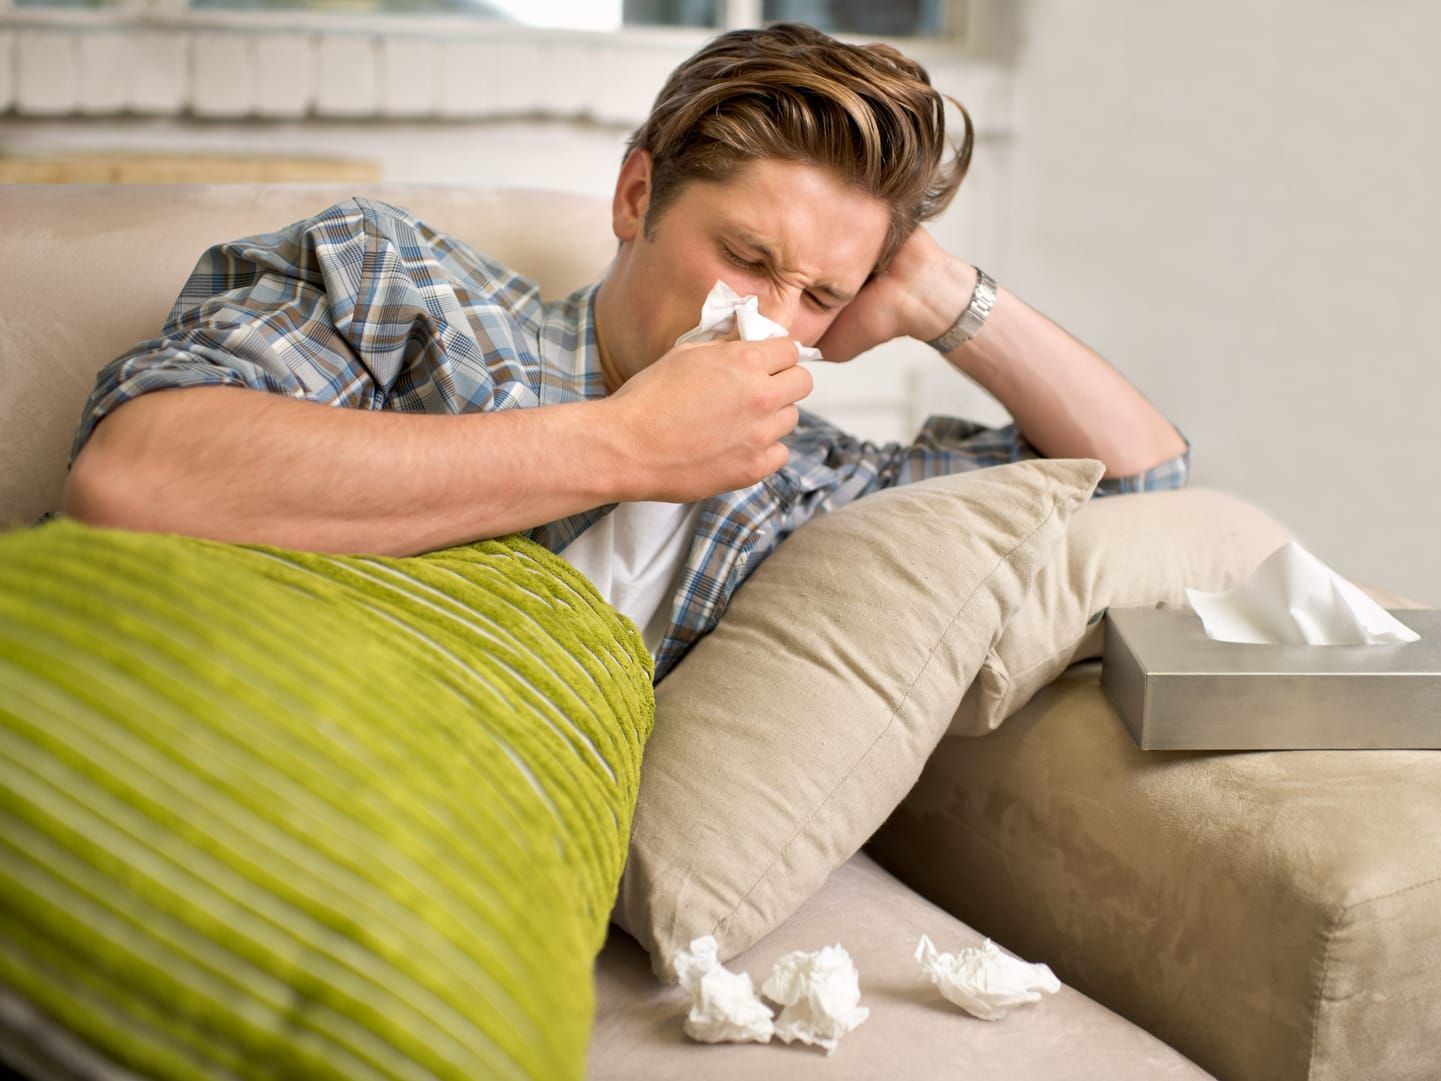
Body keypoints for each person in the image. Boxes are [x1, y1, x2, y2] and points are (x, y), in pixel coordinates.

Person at [63, 22, 1190, 680]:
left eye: (819, 296)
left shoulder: (798, 480)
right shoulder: (400, 286)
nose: (771, 317)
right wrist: (623, 445)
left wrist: (941, 293)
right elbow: (138, 477)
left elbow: (1138, 483)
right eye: (747, 257)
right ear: (637, 195)